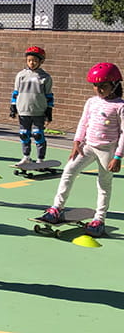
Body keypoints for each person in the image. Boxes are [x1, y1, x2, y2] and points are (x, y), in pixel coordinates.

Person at [38, 62, 124, 237]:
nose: (98, 89)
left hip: (107, 150)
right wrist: (77, 142)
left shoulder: (120, 106)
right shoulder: (91, 102)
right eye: (95, 85)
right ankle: (56, 208)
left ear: (115, 85)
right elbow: (83, 122)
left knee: (103, 183)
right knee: (69, 170)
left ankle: (99, 219)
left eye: (103, 86)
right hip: (87, 146)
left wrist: (118, 156)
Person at [10, 46, 54, 165]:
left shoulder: (45, 77)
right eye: (29, 60)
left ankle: (40, 159)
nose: (32, 63)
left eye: (35, 61)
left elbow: (49, 95)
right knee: (24, 134)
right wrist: (13, 106)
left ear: (41, 62)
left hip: (38, 110)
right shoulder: (21, 75)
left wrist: (49, 110)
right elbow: (16, 92)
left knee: (38, 134)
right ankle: (26, 156)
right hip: (23, 110)